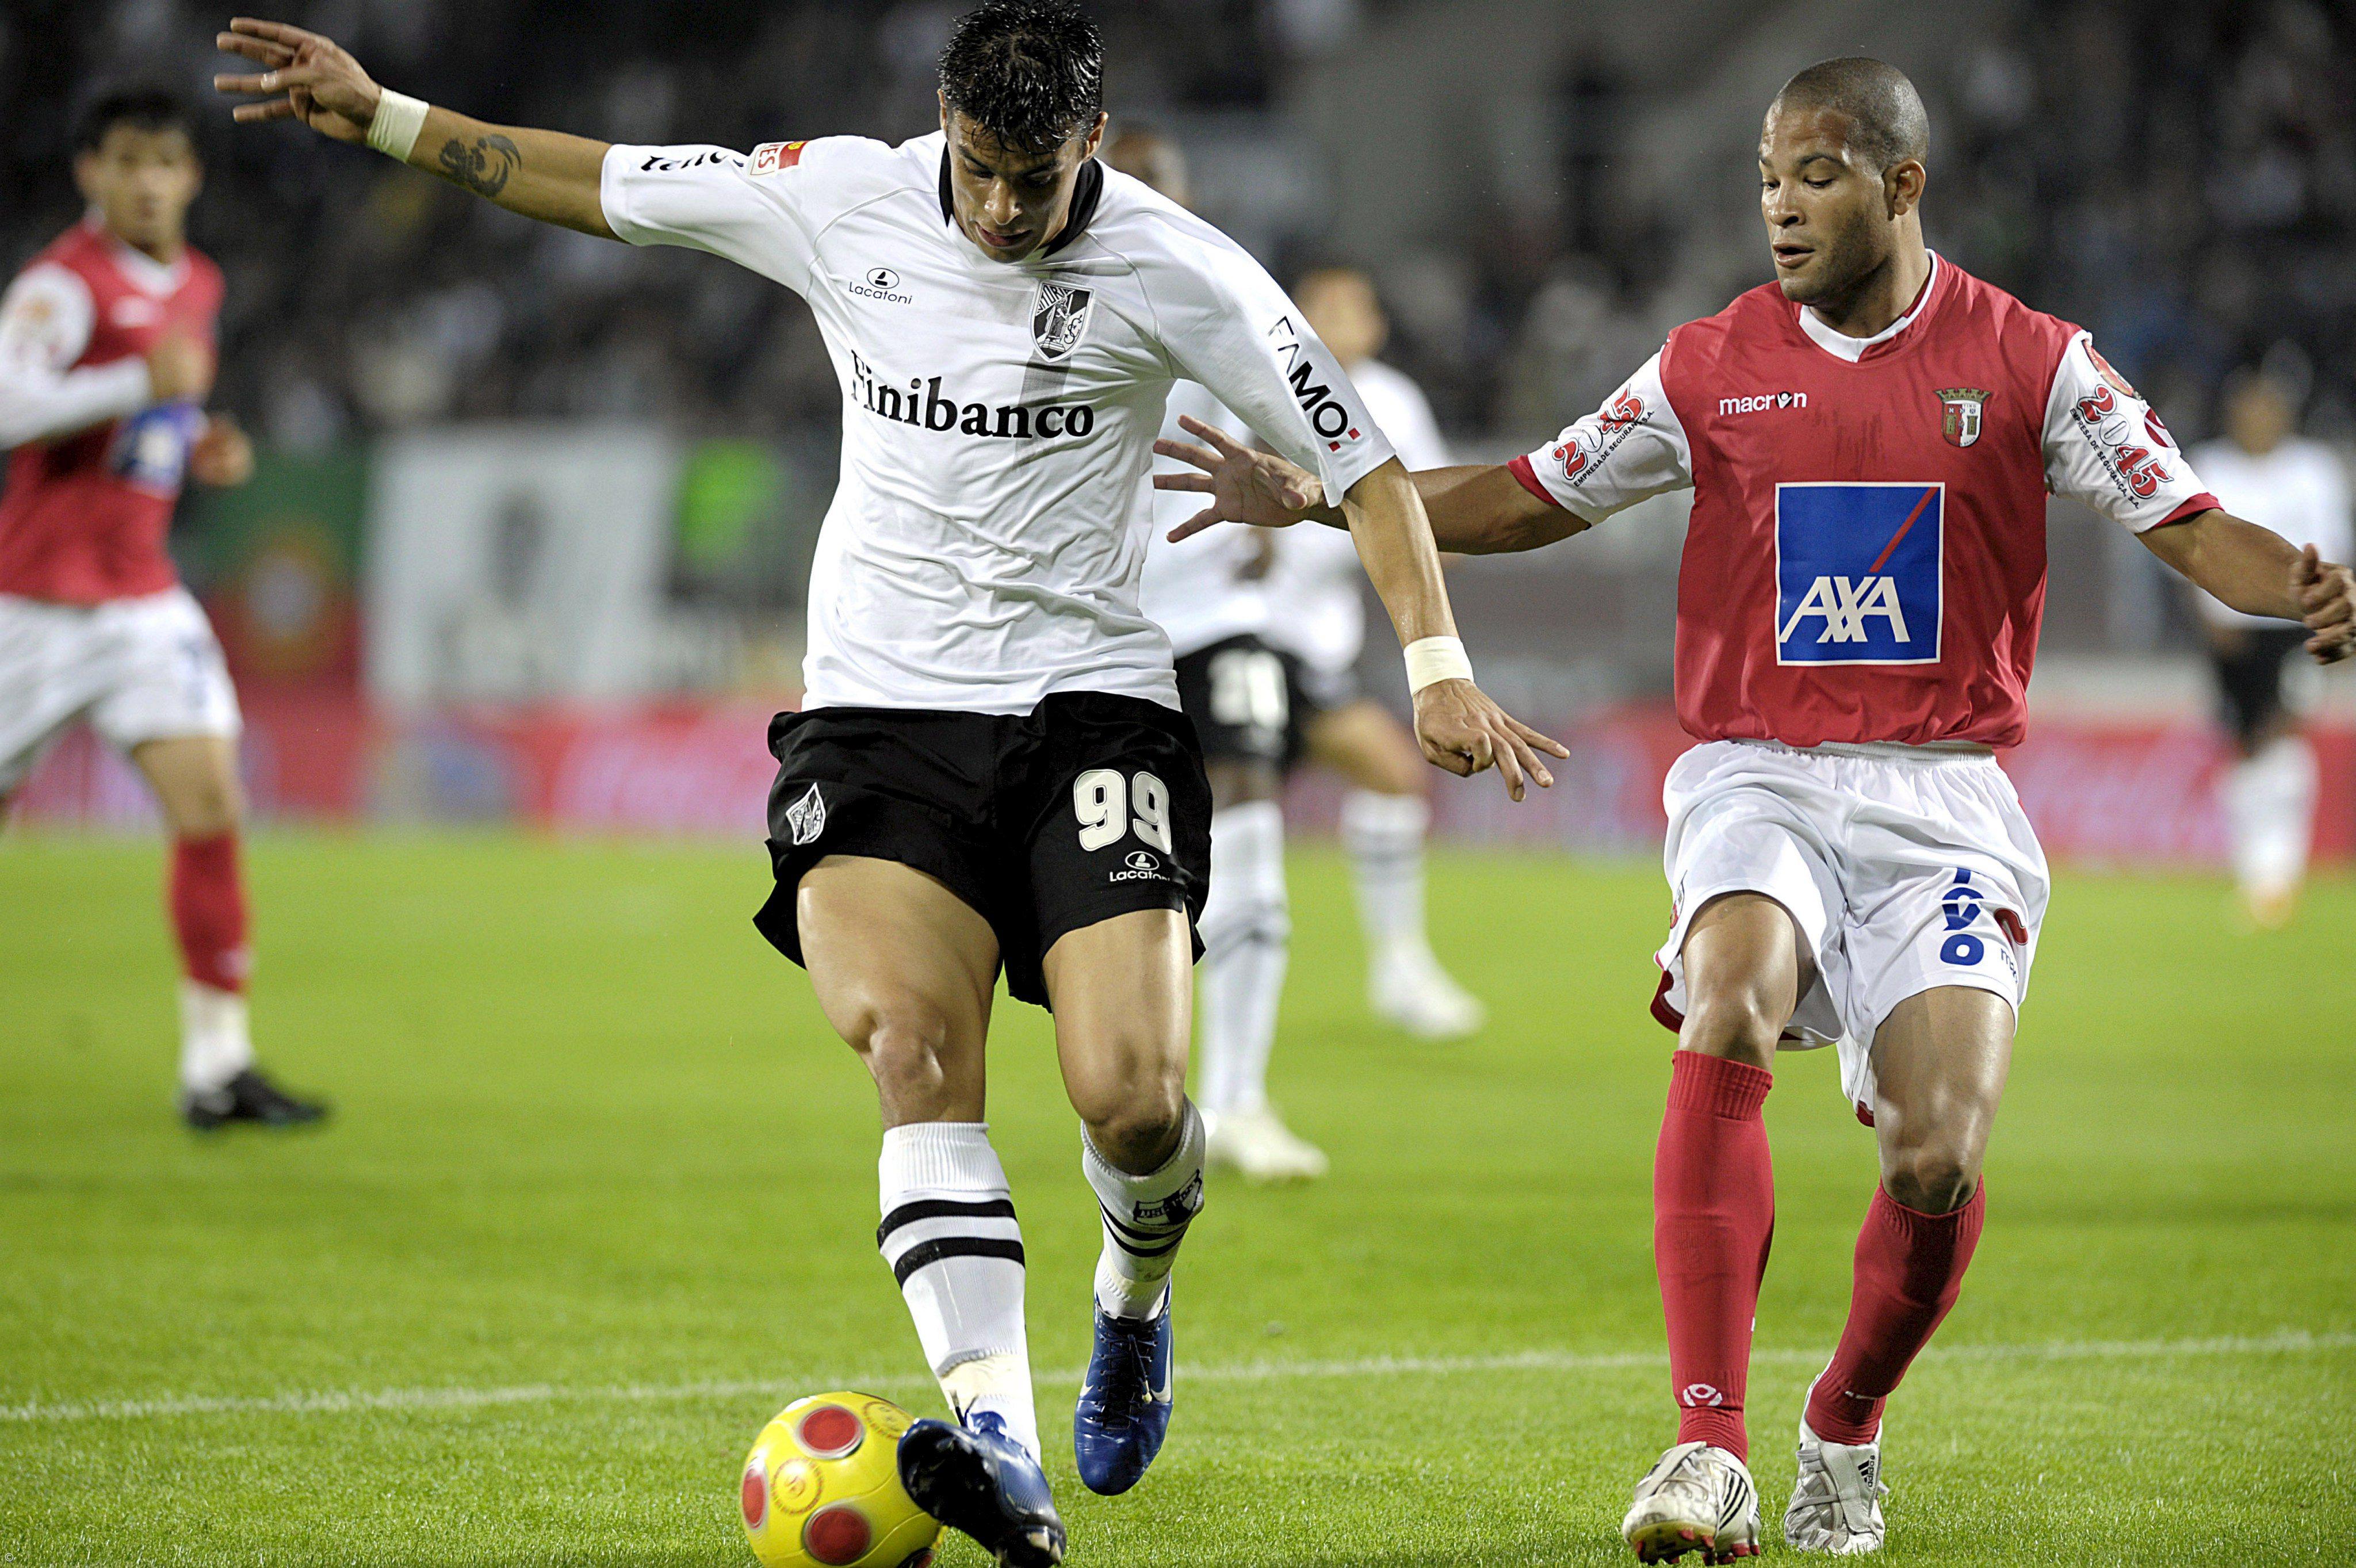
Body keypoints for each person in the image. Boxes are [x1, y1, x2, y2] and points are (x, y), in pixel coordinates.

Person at [216, 7, 1561, 1563]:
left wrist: (1437, 658)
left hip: (1089, 710)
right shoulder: (839, 194)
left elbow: (1374, 465)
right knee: (914, 1045)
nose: (1003, 208)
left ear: (1097, 147)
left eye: (1038, 181)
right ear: (942, 126)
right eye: (983, 171)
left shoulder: (1183, 270)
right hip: (879, 709)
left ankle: (1135, 1287)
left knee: (1134, 1101)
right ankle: (998, 1438)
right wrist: (388, 115)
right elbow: (590, 180)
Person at [1155, 56, 2354, 1560]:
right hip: (1758, 769)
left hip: (1943, 799)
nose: (1781, 207)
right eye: (1769, 177)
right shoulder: (1708, 365)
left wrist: (2300, 586)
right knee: (1727, 994)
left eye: (1820, 176)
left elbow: (2190, 522)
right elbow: (1534, 490)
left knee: (1935, 1150)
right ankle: (1705, 1445)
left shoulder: (2037, 362)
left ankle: (1841, 1427)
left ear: (1904, 185)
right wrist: (1327, 492)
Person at [0, 87, 326, 1133]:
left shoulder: (199, 279)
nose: (148, 181)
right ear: (91, 173)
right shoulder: (62, 285)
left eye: (167, 162)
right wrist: (135, 382)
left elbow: (144, 419)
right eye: (127, 161)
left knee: (212, 809)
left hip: (140, 601)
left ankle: (216, 1068)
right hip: (34, 608)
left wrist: (190, 442)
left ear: (192, 176)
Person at [1110, 126, 1329, 1183]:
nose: (1147, 205)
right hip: (1099, 628)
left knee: (1250, 818)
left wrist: (1277, 494)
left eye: (1165, 187)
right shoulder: (1042, 294)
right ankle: (1129, 1090)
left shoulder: (1225, 287)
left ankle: (1240, 1097)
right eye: (1128, 186)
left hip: (1215, 618)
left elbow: (1303, 416)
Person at [1281, 266, 1487, 1039]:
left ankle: (1399, 966)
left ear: (1375, 325)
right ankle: (1397, 966)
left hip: (1315, 642)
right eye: (1319, 305)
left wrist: (1403, 543)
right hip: (1241, 632)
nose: (1336, 320)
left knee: (1393, 780)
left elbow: (1431, 516)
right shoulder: (1256, 384)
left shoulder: (1395, 401)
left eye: (1351, 307)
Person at [2186, 366, 2352, 928]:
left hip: (2290, 628)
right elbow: (2190, 545)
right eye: (2247, 407)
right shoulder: (2210, 465)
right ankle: (2252, 869)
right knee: (2242, 744)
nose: (2256, 418)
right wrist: (2208, 613)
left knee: (2281, 733)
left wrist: (2327, 624)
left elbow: (2330, 551)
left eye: (2266, 407)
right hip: (2228, 632)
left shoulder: (2311, 470)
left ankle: (2277, 875)